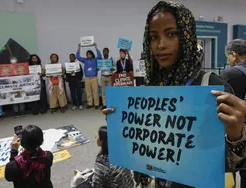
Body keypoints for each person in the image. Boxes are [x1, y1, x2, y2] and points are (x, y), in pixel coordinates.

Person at [103, 1, 246, 188]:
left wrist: (237, 135)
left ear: (186, 36)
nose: (160, 45)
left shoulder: (212, 87)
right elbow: (148, 149)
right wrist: (122, 127)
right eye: (154, 37)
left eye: (171, 34)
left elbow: (233, 166)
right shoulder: (149, 89)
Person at [221, 39, 246, 187]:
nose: (228, 60)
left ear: (234, 55)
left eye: (228, 57)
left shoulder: (231, 73)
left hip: (239, 136)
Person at [76, 43, 102, 109]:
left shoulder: (95, 59)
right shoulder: (85, 60)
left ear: (92, 54)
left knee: (95, 92)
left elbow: (99, 55)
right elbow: (78, 57)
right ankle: (90, 103)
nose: (88, 55)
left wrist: (96, 47)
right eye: (87, 54)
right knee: (88, 92)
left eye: (90, 54)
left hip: (94, 78)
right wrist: (79, 48)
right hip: (87, 78)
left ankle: (96, 104)